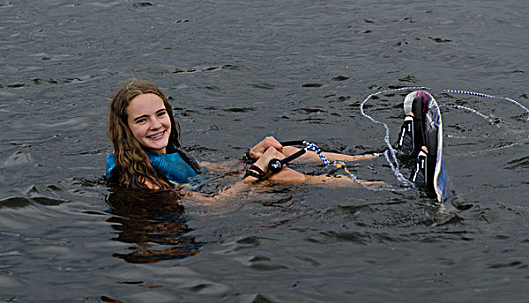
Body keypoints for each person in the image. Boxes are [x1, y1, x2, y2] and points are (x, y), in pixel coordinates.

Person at [106, 78, 382, 195]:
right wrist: (255, 172)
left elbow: (207, 172)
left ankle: (374, 157)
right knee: (278, 174)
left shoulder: (166, 152)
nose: (156, 125)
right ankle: (380, 186)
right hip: (213, 206)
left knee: (278, 150)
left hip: (207, 188)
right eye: (142, 120)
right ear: (126, 128)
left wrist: (248, 158)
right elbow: (213, 207)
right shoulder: (139, 177)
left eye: (160, 114)